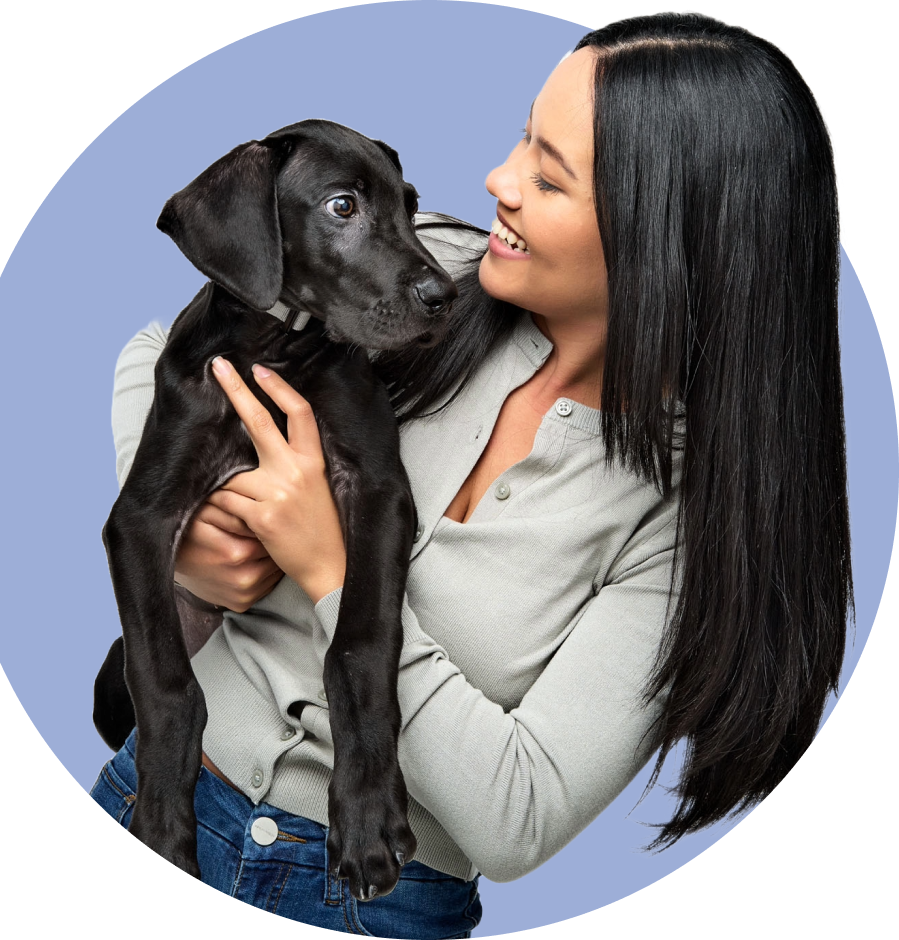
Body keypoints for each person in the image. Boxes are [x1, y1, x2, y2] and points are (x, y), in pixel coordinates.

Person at [90, 11, 852, 939]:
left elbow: (517, 813)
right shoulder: (428, 277)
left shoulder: (687, 526)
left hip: (369, 902)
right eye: (523, 137)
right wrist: (190, 532)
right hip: (150, 814)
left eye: (550, 173)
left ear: (670, 236)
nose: (499, 182)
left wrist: (329, 570)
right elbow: (154, 354)